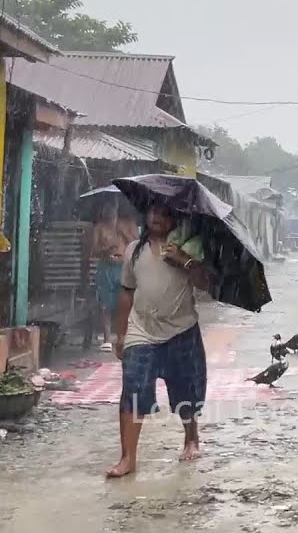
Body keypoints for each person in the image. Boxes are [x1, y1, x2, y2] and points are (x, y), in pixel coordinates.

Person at [108, 203, 211, 478]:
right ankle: (128, 458)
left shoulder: (189, 247)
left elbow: (206, 284)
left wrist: (184, 260)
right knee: (133, 387)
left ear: (174, 217)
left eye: (164, 212)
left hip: (182, 329)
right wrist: (119, 335)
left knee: (186, 390)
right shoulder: (134, 250)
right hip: (141, 330)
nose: (156, 217)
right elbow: (126, 293)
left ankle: (191, 438)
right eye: (152, 212)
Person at [92, 199, 138, 351]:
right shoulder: (100, 227)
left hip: (124, 267)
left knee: (124, 302)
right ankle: (106, 339)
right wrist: (107, 247)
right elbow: (94, 251)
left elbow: (137, 243)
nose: (110, 209)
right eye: (107, 206)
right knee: (105, 304)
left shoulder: (128, 223)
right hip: (106, 267)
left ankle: (123, 336)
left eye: (113, 206)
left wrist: (122, 232)